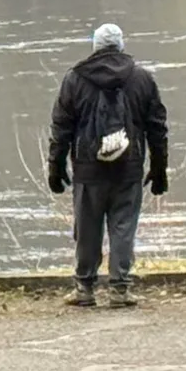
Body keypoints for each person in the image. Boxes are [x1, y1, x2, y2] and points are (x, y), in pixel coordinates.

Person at [47, 21, 167, 308]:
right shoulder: (142, 78)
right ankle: (120, 289)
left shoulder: (75, 79)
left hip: (88, 168)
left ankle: (84, 288)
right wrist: (159, 168)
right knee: (123, 227)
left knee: (87, 227)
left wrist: (56, 165)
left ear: (95, 46)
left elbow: (61, 127)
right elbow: (157, 127)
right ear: (121, 45)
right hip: (129, 166)